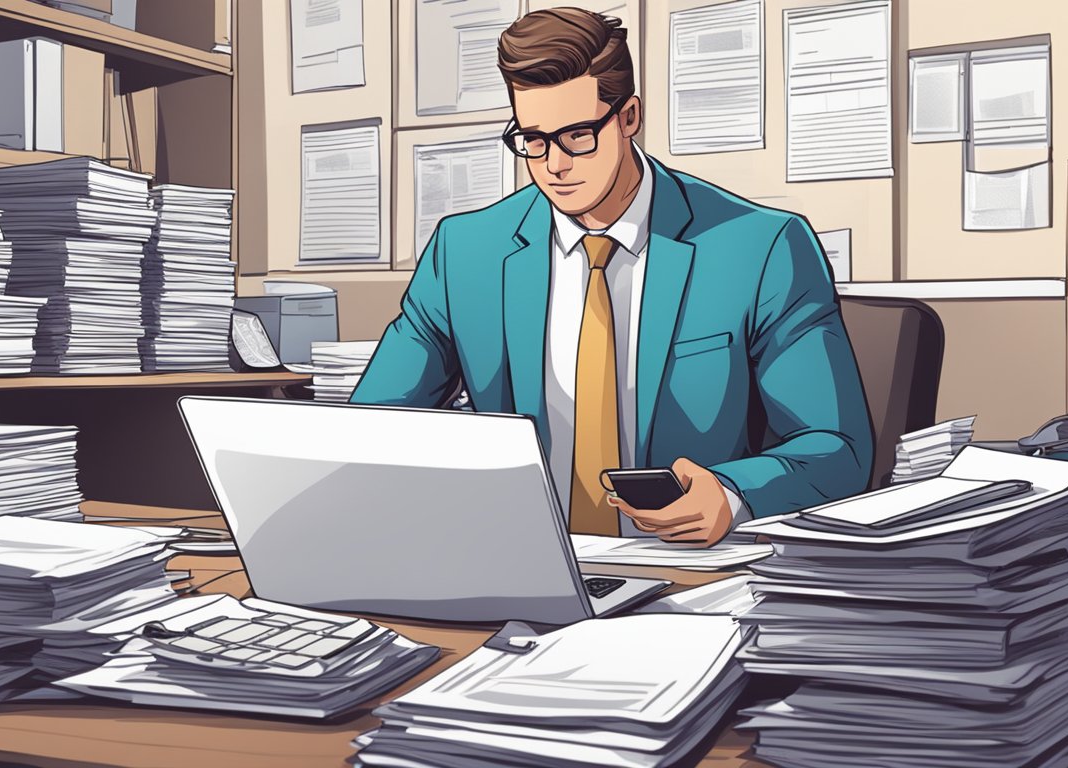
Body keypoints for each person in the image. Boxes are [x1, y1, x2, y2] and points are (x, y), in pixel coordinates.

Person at [351, 7, 872, 546]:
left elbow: (836, 448)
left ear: (628, 118)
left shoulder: (760, 248)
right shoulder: (465, 253)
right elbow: (370, 429)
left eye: (577, 135)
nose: (554, 164)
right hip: (518, 564)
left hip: (689, 575)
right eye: (532, 139)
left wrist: (731, 494)